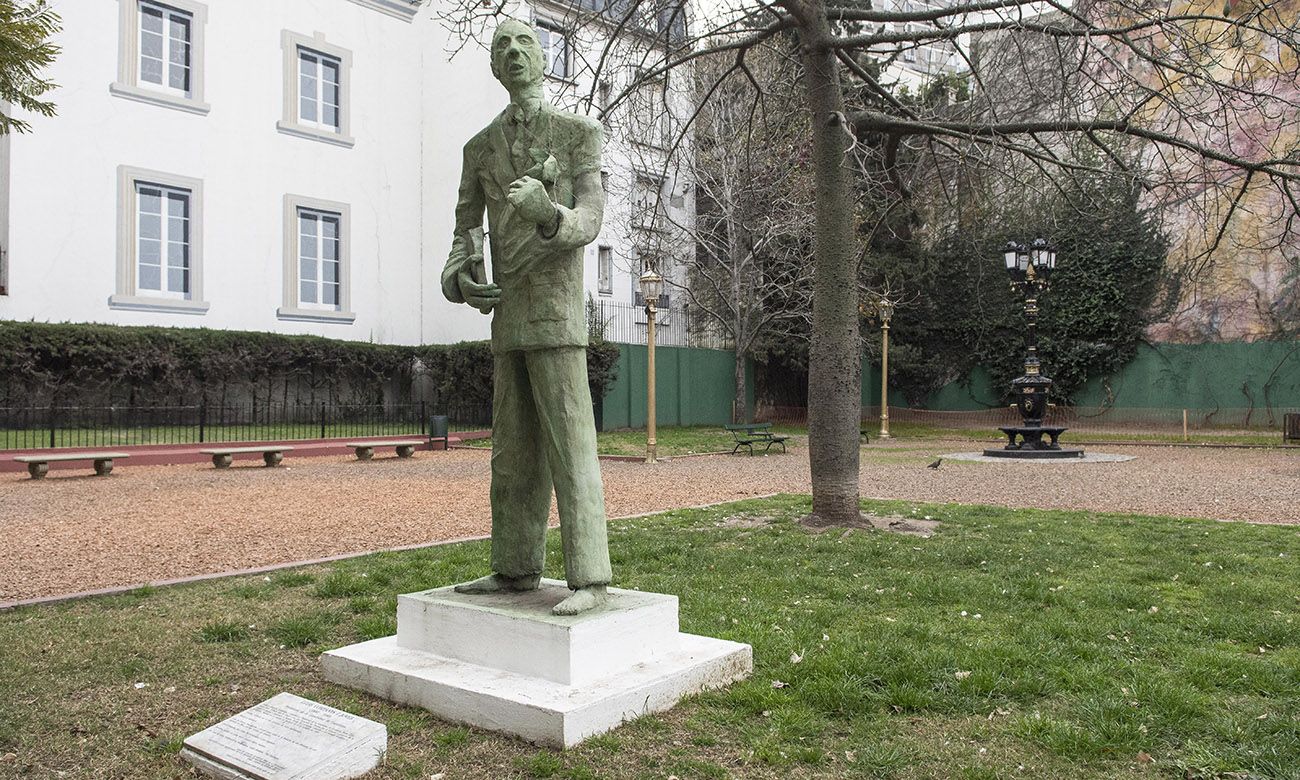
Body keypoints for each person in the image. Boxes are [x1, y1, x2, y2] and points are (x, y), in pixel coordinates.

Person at [440, 18, 611, 616]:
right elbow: (465, 232)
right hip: (507, 318)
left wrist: (549, 213)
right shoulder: (478, 149)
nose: (513, 53)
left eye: (525, 43)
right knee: (511, 453)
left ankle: (589, 577)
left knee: (571, 445)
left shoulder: (578, 132)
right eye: (501, 47)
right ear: (493, 66)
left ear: (544, 57)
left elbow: (591, 218)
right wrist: (461, 279)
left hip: (557, 314)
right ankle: (514, 568)